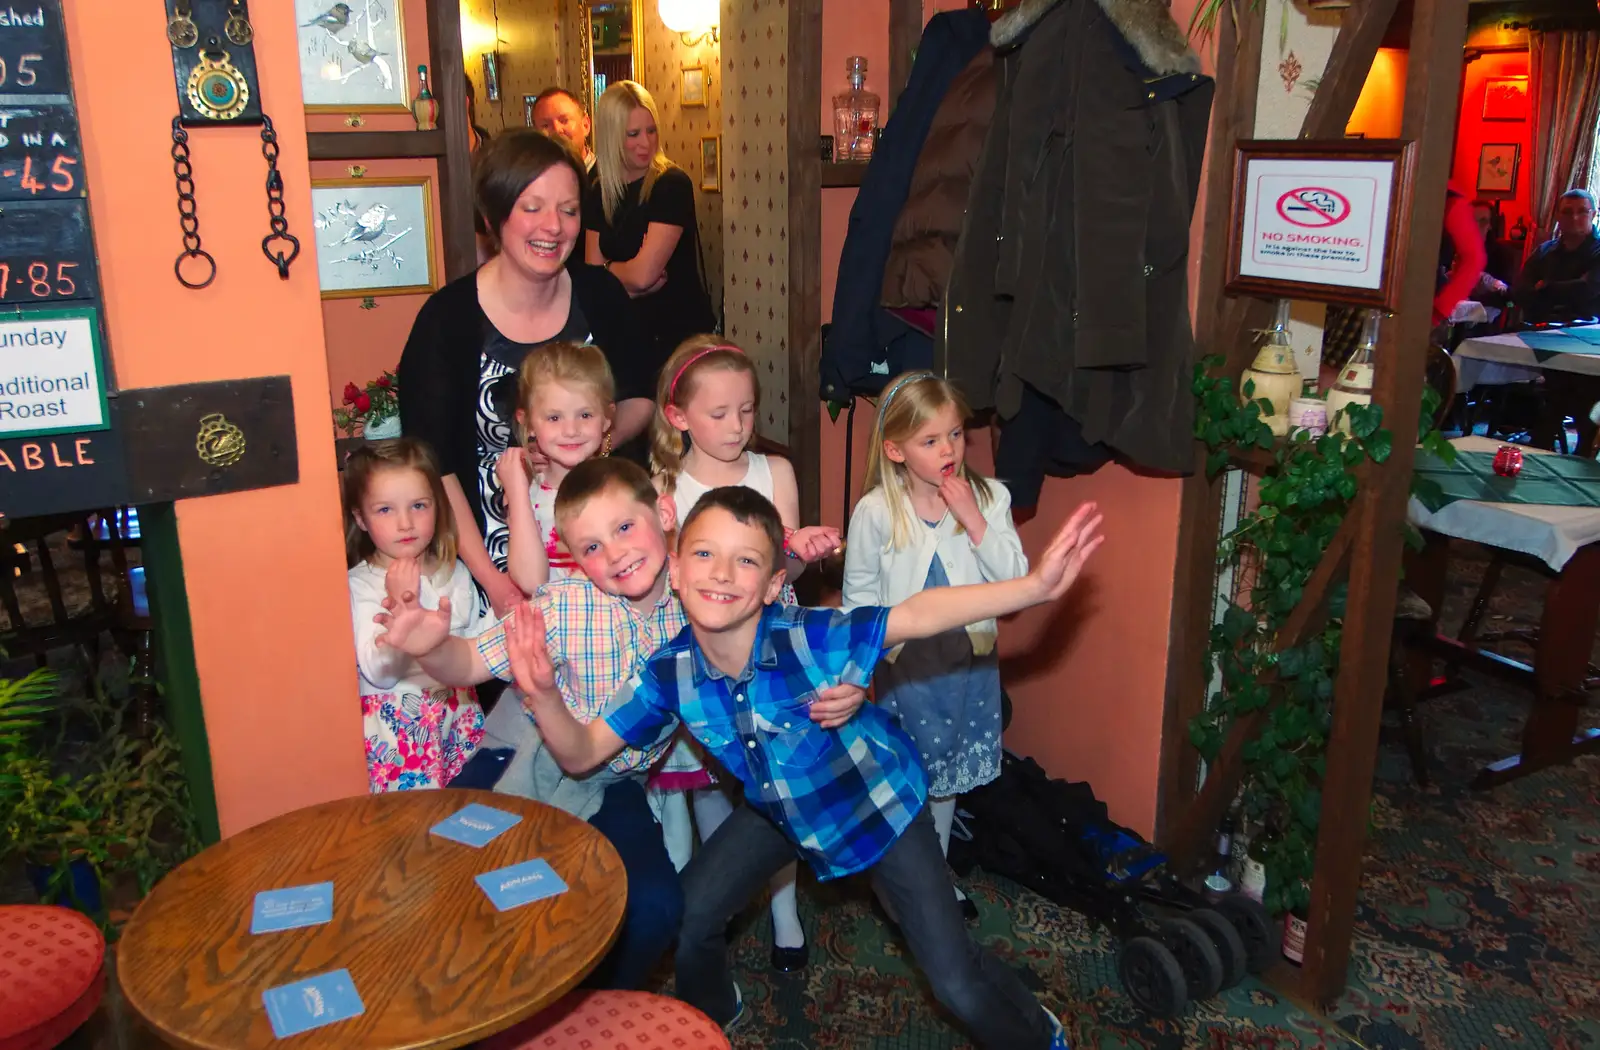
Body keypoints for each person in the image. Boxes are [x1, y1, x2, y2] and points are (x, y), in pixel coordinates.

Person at [494, 486, 1098, 1047]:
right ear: (675, 570)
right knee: (693, 911)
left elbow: (914, 614)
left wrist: (1033, 587)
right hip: (779, 806)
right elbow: (578, 753)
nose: (723, 573)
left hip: (880, 807)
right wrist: (545, 696)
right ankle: (711, 1015)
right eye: (704, 553)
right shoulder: (667, 672)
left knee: (956, 981)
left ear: (771, 585)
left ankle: (1038, 1033)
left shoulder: (807, 638)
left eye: (746, 561)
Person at [370, 458, 870, 990]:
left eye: (625, 527)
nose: (614, 554)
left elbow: (785, 634)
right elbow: (466, 662)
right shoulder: (562, 607)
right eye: (591, 547)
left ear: (663, 512)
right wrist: (432, 649)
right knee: (455, 879)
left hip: (613, 779)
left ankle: (591, 1007)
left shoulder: (700, 599)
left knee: (653, 908)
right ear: (574, 557)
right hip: (524, 758)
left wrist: (849, 682)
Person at [398, 130, 656, 618]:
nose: (554, 227)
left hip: (610, 555)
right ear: (495, 216)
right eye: (532, 207)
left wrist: (585, 443)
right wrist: (492, 583)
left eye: (569, 209)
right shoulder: (447, 319)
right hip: (491, 561)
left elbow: (640, 396)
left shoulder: (600, 295)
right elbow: (437, 467)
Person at [650, 335, 842, 970]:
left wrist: (800, 552)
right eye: (718, 413)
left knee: (772, 792)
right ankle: (705, 907)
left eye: (747, 410)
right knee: (705, 784)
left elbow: (777, 566)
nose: (736, 426)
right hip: (699, 656)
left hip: (765, 657)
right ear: (678, 416)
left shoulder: (774, 472)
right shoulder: (665, 485)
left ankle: (784, 914)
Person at [842, 371, 1027, 922]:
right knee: (909, 778)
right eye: (930, 441)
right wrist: (857, 671)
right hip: (910, 671)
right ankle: (899, 878)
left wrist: (974, 521)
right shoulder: (876, 511)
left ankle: (935, 881)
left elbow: (1015, 580)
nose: (948, 449)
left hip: (967, 667)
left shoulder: (991, 498)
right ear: (895, 449)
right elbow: (859, 601)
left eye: (956, 435)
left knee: (946, 781)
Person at [344, 438, 494, 792]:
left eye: (419, 505)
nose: (405, 523)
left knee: (466, 819)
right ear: (360, 519)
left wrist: (509, 618)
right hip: (398, 740)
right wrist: (399, 619)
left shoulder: (452, 572)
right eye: (385, 510)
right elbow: (379, 673)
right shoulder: (361, 586)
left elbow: (477, 646)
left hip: (458, 724)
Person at [585, 81, 716, 377]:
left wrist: (610, 273)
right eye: (633, 134)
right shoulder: (599, 192)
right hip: (625, 338)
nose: (645, 142)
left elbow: (643, 276)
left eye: (651, 130)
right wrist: (623, 276)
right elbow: (590, 280)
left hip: (675, 341)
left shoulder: (670, 185)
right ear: (611, 136)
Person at [496, 341, 616, 593]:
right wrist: (517, 490)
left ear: (606, 418)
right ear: (527, 423)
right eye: (554, 417)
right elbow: (532, 583)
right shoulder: (525, 495)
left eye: (585, 415)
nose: (571, 431)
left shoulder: (621, 490)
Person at [1513, 188, 1600, 324]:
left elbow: (1587, 290)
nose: (1574, 218)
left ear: (1593, 215)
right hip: (1539, 328)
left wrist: (1544, 287)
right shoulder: (1544, 250)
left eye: (1582, 212)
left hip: (1586, 331)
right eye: (1567, 212)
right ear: (1558, 216)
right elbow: (1520, 290)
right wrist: (1567, 287)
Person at [531, 86, 595, 172]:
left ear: (585, 125)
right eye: (545, 125)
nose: (557, 130)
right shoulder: (534, 182)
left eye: (564, 121)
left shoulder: (609, 180)